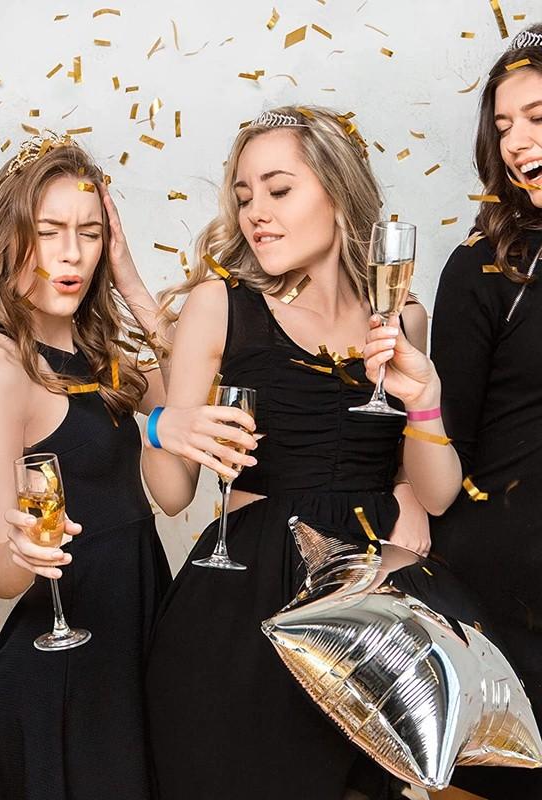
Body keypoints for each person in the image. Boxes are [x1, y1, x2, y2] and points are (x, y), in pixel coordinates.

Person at [143, 106, 430, 799]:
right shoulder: (219, 303)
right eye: (244, 197)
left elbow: (414, 449)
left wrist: (409, 498)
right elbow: (173, 494)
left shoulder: (403, 316)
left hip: (366, 611)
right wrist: (158, 426)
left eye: (278, 190)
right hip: (243, 606)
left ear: (339, 192)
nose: (255, 215)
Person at [0, 133, 171, 800]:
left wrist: (131, 282)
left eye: (90, 233)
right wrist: (26, 550)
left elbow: (190, 399)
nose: (72, 253)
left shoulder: (98, 353)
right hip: (67, 664)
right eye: (49, 232)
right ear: (10, 240)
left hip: (135, 631)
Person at [362, 26, 542, 799]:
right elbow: (440, 434)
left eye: (536, 117)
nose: (516, 141)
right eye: (503, 125)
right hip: (506, 595)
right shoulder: (484, 266)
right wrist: (405, 495)